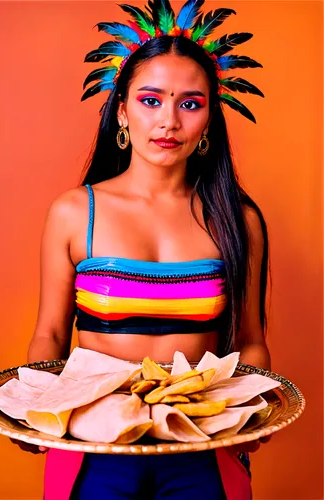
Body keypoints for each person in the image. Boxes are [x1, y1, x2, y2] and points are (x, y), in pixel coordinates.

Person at [14, 0, 273, 497]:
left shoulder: (239, 221)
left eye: (190, 103)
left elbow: (251, 339)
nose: (169, 121)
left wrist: (254, 411)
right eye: (151, 100)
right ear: (123, 110)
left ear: (209, 121)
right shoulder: (74, 212)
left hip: (203, 444)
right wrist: (37, 402)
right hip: (93, 444)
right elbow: (49, 333)